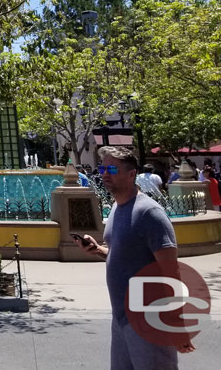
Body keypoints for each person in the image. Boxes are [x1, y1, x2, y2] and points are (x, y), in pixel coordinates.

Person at [74, 145, 191, 367]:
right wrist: (99, 250)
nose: (105, 174)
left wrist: (177, 323)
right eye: (102, 168)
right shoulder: (118, 208)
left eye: (112, 169)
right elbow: (126, 256)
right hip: (122, 319)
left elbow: (171, 272)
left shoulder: (149, 213)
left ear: (131, 174)